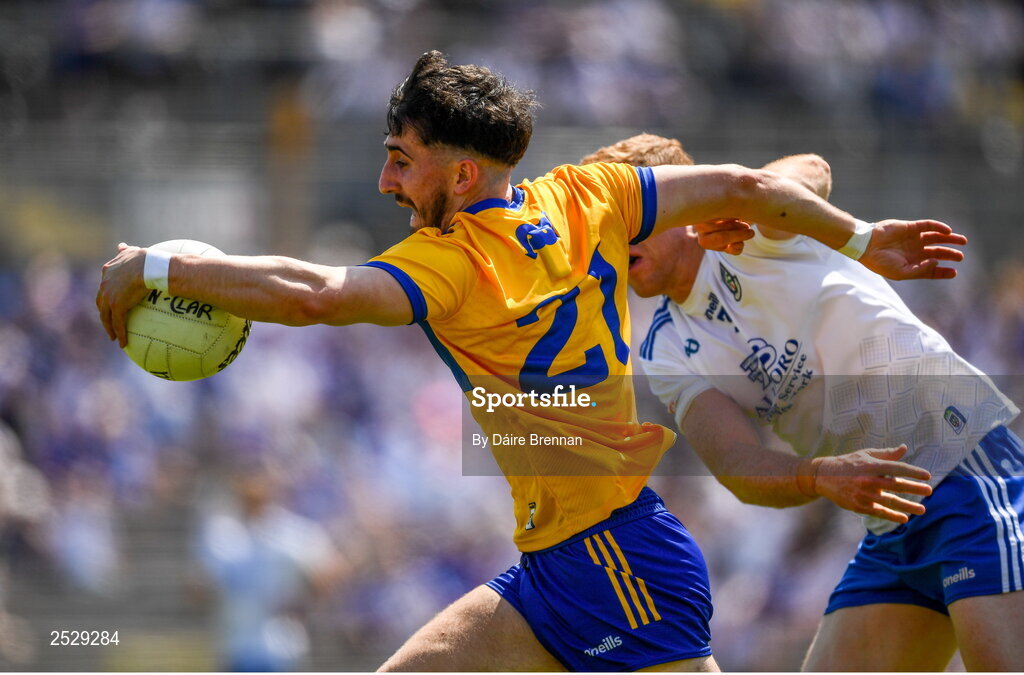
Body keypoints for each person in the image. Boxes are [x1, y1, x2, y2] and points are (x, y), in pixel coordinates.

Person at [97, 52, 965, 672]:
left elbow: (316, 294)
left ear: (465, 174)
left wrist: (158, 265)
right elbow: (743, 182)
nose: (386, 183)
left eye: (402, 162)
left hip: (621, 563)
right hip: (559, 562)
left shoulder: (453, 263)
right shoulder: (589, 193)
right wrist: (860, 235)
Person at [593, 133, 1024, 671]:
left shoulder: (757, 224)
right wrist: (818, 475)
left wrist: (755, 204)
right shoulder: (663, 348)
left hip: (964, 467)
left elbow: (812, 167)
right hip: (893, 523)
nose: (611, 243)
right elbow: (736, 465)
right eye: (602, 230)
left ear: (680, 204)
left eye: (627, 219)